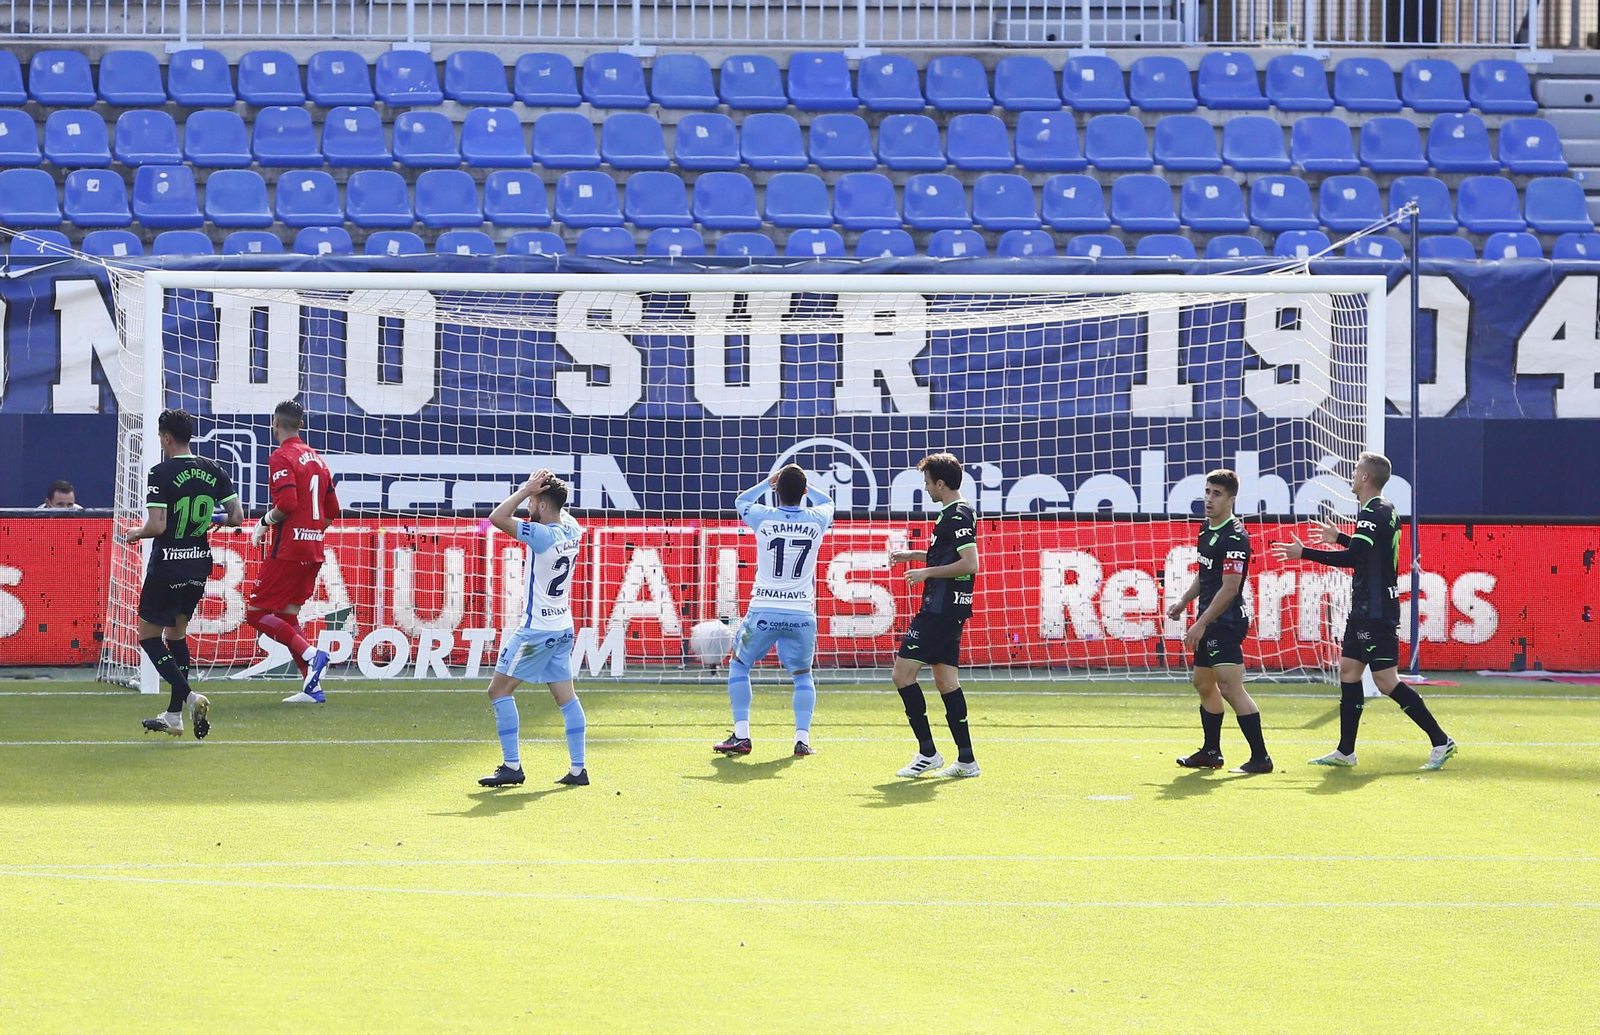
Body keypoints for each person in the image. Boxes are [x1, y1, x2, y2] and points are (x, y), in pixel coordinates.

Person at [1272, 452, 1458, 771]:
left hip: (1375, 609)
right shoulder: (1380, 511)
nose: (1353, 474)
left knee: (1386, 681)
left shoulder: (1374, 511)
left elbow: (1354, 558)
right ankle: (1346, 751)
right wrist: (1340, 537)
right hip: (1364, 608)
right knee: (1348, 670)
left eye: (1357, 470)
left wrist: (1304, 553)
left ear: (1365, 478)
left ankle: (1441, 741)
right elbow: (1369, 551)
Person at [119, 409, 244, 738]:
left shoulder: (160, 472)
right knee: (176, 634)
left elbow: (157, 525)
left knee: (148, 636)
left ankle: (188, 696)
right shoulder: (213, 470)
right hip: (198, 563)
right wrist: (209, 521)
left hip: (168, 563)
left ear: (166, 437)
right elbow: (236, 517)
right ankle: (174, 715)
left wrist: (136, 533)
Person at [713, 464, 836, 758]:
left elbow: (741, 501)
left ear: (777, 491)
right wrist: (804, 487)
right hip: (801, 614)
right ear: (804, 493)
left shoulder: (764, 517)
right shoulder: (817, 518)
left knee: (739, 665)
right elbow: (828, 502)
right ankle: (802, 739)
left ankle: (742, 735)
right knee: (803, 675)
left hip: (764, 610)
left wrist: (768, 483)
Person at [477, 470, 590, 789]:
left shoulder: (542, 536)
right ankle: (579, 769)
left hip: (537, 630)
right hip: (564, 626)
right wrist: (539, 491)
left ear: (542, 505)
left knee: (498, 691)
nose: (527, 505)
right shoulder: (573, 528)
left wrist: (525, 489)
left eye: (531, 502)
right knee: (567, 698)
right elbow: (557, 507)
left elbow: (497, 517)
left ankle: (512, 766)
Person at [1168, 470, 1272, 774]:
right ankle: (1211, 752)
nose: (1209, 499)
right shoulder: (1207, 529)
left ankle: (1261, 757)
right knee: (1203, 683)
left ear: (1231, 499)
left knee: (1230, 687)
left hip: (1225, 621)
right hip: (1209, 618)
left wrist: (1200, 623)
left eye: (1216, 494)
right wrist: (1185, 602)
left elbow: (1229, 587)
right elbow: (1207, 572)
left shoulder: (1235, 536)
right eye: (1208, 492)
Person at [888, 452, 981, 778]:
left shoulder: (956, 516)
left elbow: (970, 563)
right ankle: (967, 761)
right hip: (949, 609)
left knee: (902, 675)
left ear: (941, 483)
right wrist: (913, 556)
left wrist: (926, 573)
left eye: (928, 483)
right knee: (945, 682)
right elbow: (946, 553)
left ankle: (928, 753)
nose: (926, 488)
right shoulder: (956, 512)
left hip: (939, 610)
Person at [244, 401, 338, 704]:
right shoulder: (319, 461)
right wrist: (309, 531)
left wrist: (263, 522)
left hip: (289, 549)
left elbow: (286, 504)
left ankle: (313, 655)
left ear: (275, 423)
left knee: (256, 612)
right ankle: (312, 688)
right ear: (301, 424)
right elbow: (331, 512)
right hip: (313, 549)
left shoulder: (281, 456)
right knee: (288, 614)